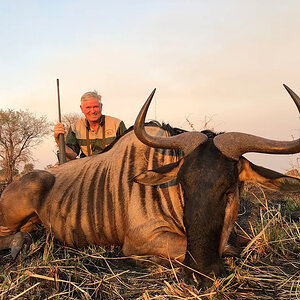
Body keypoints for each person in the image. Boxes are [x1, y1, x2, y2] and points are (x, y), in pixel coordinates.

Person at [54, 91, 126, 160]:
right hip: (87, 168)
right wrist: (58, 141)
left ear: (101, 106)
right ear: (82, 109)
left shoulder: (117, 124)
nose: (92, 111)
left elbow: (127, 151)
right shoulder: (75, 127)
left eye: (95, 107)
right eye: (88, 107)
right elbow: (71, 156)